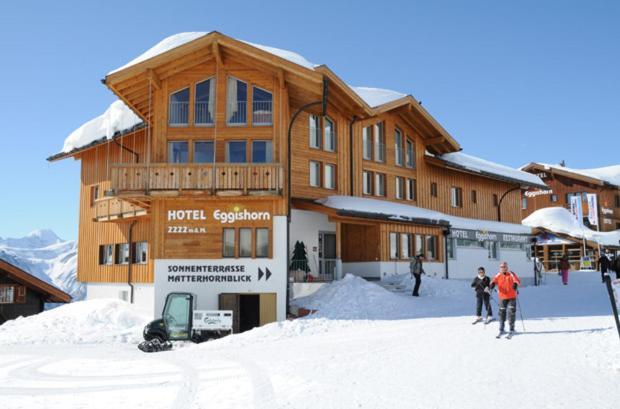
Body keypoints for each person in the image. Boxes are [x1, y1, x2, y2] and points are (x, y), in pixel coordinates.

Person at [490, 261, 521, 337]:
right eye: (501, 267)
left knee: (511, 312)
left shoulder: (511, 274)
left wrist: (515, 284)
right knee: (502, 313)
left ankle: (511, 329)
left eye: (504, 267)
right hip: (502, 297)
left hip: (511, 296)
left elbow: (517, 280)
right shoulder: (498, 274)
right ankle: (501, 329)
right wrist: (492, 284)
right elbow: (493, 280)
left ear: (507, 267)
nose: (503, 268)